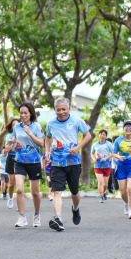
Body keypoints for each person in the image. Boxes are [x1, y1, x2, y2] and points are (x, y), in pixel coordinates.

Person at [45, 98, 92, 231]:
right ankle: (58, 218)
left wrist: (77, 147)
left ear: (69, 109)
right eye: (58, 110)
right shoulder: (51, 123)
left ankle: (75, 208)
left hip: (73, 162)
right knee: (57, 192)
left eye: (63, 109)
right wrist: (47, 151)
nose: (61, 112)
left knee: (74, 191)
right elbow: (48, 137)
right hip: (57, 163)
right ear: (55, 110)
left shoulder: (77, 121)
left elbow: (88, 135)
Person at [6, 104, 44, 228]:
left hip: (34, 162)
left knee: (35, 192)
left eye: (25, 113)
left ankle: (37, 215)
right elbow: (15, 138)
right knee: (19, 189)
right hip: (19, 161)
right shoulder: (17, 126)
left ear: (31, 113)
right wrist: (12, 141)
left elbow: (41, 144)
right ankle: (22, 217)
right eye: (21, 113)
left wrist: (29, 133)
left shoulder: (37, 126)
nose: (23, 115)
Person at [111, 121, 131, 219]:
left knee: (130, 189)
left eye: (130, 126)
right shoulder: (118, 140)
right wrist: (119, 156)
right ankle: (127, 203)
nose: (128, 128)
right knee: (123, 193)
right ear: (123, 129)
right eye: (126, 126)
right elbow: (113, 153)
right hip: (121, 167)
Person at [91, 130, 114, 203]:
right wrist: (94, 159)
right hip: (97, 166)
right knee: (100, 181)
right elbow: (92, 153)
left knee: (105, 184)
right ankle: (101, 197)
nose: (102, 136)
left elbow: (113, 153)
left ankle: (103, 192)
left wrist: (106, 158)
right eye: (101, 134)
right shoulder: (95, 144)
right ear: (99, 135)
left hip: (107, 166)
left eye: (104, 135)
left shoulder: (109, 144)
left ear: (105, 136)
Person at [3, 118, 20, 209]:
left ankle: (19, 202)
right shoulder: (9, 136)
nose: (16, 126)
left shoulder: (24, 135)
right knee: (12, 183)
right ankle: (10, 198)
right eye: (14, 125)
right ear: (11, 127)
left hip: (21, 159)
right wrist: (13, 139)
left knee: (19, 183)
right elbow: (7, 149)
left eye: (17, 124)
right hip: (11, 159)